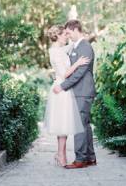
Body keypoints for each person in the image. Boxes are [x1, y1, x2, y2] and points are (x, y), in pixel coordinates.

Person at [53, 20, 97, 169]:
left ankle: (80, 160)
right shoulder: (75, 47)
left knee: (79, 125)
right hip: (78, 91)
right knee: (85, 124)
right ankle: (90, 158)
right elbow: (67, 66)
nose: (68, 35)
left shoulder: (85, 47)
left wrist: (62, 86)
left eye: (69, 32)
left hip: (83, 91)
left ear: (76, 29)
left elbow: (79, 72)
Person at [44, 25, 89, 167]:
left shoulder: (59, 49)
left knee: (62, 124)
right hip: (62, 89)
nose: (67, 37)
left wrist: (80, 36)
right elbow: (64, 73)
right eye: (64, 34)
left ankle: (60, 154)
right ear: (57, 36)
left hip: (63, 88)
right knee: (62, 124)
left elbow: (73, 45)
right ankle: (61, 155)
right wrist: (78, 64)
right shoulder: (56, 52)